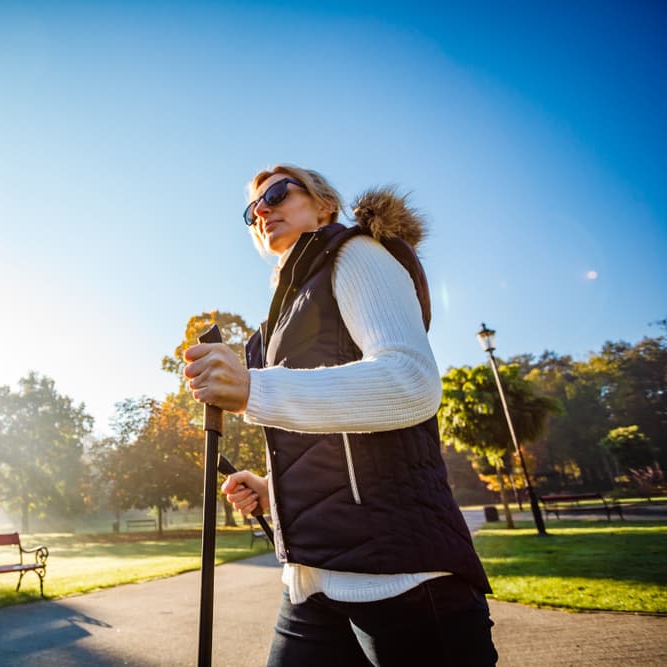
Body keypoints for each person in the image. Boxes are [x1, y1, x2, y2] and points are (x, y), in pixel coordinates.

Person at [183, 165, 497, 666]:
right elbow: (333, 443)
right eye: (251, 210)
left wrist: (251, 386)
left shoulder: (355, 253)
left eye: (278, 194)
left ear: (324, 204)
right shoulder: (277, 320)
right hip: (311, 584)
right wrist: (272, 487)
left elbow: (410, 383)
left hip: (402, 578)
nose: (262, 211)